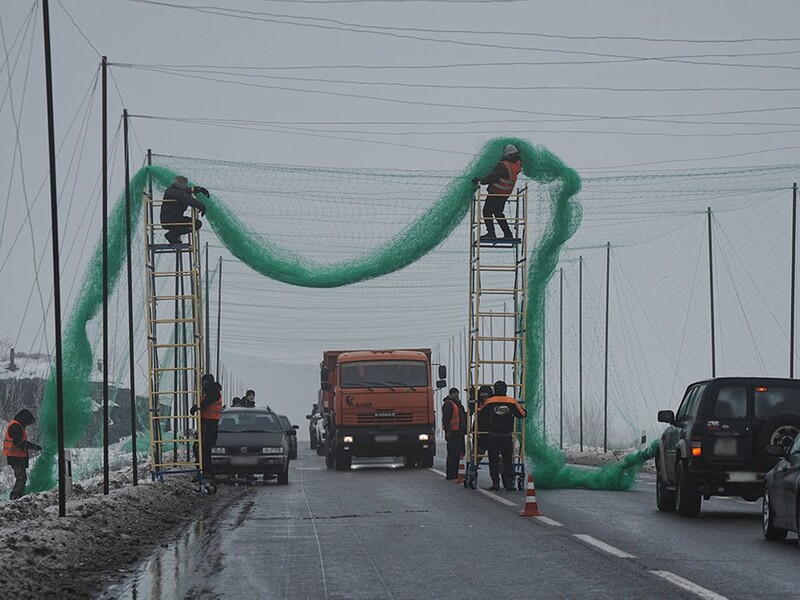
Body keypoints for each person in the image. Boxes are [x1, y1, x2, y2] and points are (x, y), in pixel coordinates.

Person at [478, 380, 526, 491]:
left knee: (493, 460)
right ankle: (508, 483)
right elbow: (522, 414)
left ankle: (495, 483)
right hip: (506, 436)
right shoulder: (512, 402)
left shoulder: (489, 402)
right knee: (507, 460)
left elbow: (480, 411)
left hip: (493, 435)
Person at [471, 144, 523, 240]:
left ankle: (491, 233)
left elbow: (493, 176)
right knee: (498, 213)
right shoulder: (517, 165)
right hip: (505, 194)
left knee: (487, 212)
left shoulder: (503, 165)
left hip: (496, 192)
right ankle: (508, 234)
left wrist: (480, 181)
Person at [190, 373, 222, 480]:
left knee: (204, 447)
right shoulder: (207, 392)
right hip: (205, 421)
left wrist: (195, 407)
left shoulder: (213, 391)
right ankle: (204, 470)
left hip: (210, 422)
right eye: (203, 381)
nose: (205, 383)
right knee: (200, 447)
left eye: (207, 381)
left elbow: (207, 402)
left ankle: (206, 471)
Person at [3, 409, 41, 500]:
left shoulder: (17, 425)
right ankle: (16, 497)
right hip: (15, 456)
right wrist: (33, 446)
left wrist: (32, 446)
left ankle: (18, 495)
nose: (27, 425)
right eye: (28, 422)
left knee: (21, 477)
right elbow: (18, 443)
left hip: (17, 456)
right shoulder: (16, 426)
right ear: (25, 419)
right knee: (21, 478)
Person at [161, 175, 209, 245]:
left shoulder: (173, 190)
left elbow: (185, 191)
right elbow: (185, 198)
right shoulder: (174, 192)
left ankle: (174, 235)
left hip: (173, 218)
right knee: (196, 224)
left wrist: (198, 189)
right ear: (180, 183)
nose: (186, 186)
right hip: (171, 220)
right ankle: (172, 234)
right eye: (185, 184)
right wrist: (200, 205)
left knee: (195, 223)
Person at [442, 388, 467, 479]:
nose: (456, 395)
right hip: (453, 433)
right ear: (450, 394)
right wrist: (448, 431)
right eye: (454, 393)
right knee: (453, 454)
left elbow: (462, 416)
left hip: (459, 433)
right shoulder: (449, 404)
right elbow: (446, 419)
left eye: (457, 393)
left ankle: (456, 472)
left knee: (459, 452)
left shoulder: (458, 404)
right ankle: (451, 474)